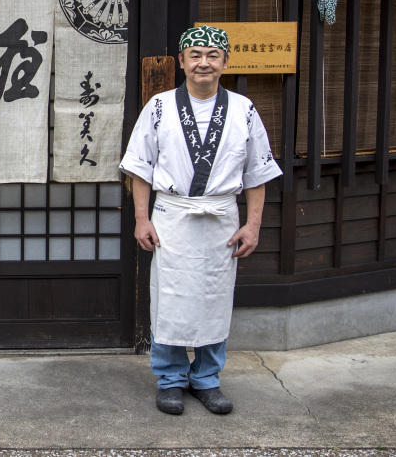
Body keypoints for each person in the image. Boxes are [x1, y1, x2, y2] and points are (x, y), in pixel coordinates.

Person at [119, 25, 282, 416]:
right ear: (182, 61)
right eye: (195, 54)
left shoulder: (244, 109)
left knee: (215, 298)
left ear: (225, 62)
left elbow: (257, 172)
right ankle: (171, 378)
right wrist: (142, 219)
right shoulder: (159, 106)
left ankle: (207, 378)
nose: (203, 62)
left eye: (212, 55)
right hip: (173, 215)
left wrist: (253, 224)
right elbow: (140, 169)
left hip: (221, 216)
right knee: (169, 300)